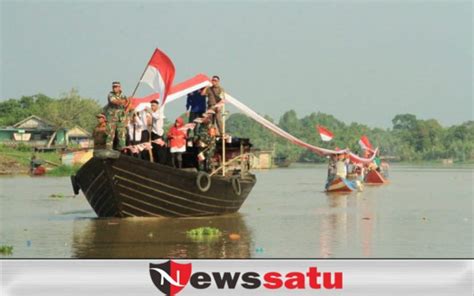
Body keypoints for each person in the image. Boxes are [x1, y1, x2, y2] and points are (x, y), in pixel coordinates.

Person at [104, 81, 129, 150]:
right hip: (112, 118)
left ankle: (122, 148)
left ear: (119, 87)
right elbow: (115, 101)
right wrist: (123, 101)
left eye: (116, 87)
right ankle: (108, 149)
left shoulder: (123, 96)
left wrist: (128, 102)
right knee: (110, 134)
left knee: (122, 134)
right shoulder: (111, 95)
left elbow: (126, 107)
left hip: (121, 118)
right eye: (113, 87)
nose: (114, 88)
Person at [140, 100, 166, 164]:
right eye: (151, 105)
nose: (152, 107)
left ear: (157, 106)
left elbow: (156, 117)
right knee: (154, 150)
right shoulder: (152, 113)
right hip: (153, 133)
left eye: (153, 105)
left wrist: (150, 111)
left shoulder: (159, 112)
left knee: (159, 150)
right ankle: (156, 163)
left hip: (158, 134)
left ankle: (161, 164)